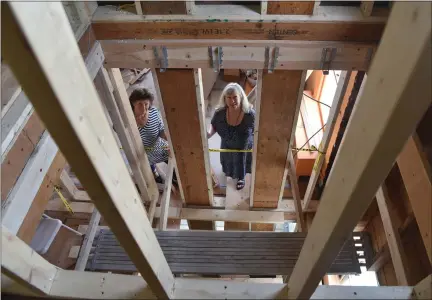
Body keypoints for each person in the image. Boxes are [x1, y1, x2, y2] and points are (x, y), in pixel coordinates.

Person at [207, 83, 255, 190]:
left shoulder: (250, 114)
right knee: (228, 165)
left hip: (243, 149)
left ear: (241, 97)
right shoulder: (220, 113)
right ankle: (230, 172)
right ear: (224, 98)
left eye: (235, 97)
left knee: (241, 163)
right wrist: (207, 133)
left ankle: (241, 178)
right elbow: (213, 125)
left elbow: (258, 131)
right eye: (229, 97)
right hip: (227, 146)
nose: (232, 101)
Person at [129, 88, 172, 185]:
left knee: (172, 161)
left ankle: (174, 175)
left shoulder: (154, 112)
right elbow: (117, 129)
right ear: (133, 104)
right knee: (151, 171)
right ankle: (155, 173)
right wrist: (134, 123)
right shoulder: (128, 117)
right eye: (140, 104)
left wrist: (170, 143)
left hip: (158, 146)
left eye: (146, 104)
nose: (144, 108)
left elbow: (161, 130)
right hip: (142, 153)